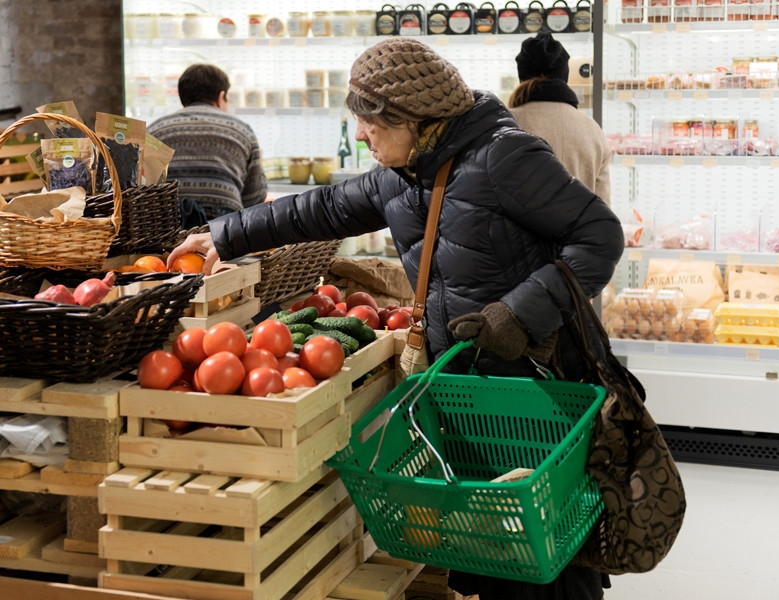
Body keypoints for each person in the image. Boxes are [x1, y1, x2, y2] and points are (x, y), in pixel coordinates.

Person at [168, 37, 623, 600]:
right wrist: (224, 233)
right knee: (491, 543)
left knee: (546, 550)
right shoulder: (404, 174)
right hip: (467, 386)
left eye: (368, 123)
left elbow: (600, 234)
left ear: (408, 118)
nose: (360, 135)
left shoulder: (505, 157)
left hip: (532, 384)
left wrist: (518, 312)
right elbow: (323, 208)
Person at [147, 63, 268, 227]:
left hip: (168, 224)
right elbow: (254, 197)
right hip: (225, 226)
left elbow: (144, 189)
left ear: (183, 98)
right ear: (221, 97)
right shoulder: (242, 130)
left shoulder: (155, 130)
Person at [507, 32, 612, 204]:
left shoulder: (506, 124)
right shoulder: (592, 130)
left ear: (522, 74)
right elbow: (604, 209)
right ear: (564, 75)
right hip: (580, 230)